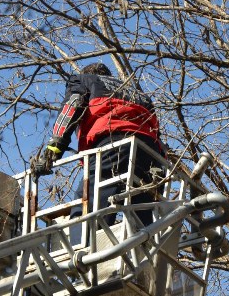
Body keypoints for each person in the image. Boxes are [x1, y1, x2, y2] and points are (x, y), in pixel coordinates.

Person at [32, 62, 164, 237]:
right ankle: (143, 253)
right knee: (142, 216)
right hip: (151, 154)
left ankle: (81, 253)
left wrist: (53, 150)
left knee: (88, 202)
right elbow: (156, 131)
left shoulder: (85, 80)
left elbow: (72, 106)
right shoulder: (141, 96)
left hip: (113, 145)